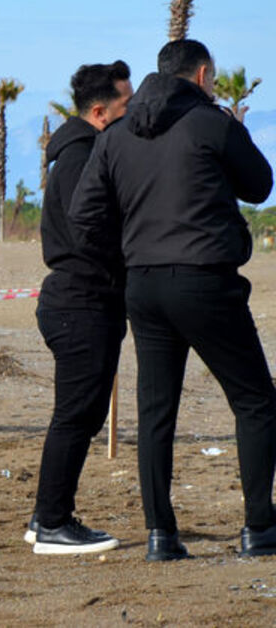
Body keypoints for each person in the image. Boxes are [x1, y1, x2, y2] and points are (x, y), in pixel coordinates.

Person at [70, 39, 276, 561]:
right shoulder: (212, 123)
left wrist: (124, 257)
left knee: (156, 410)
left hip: (144, 282)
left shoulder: (116, 135)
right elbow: (260, 185)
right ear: (203, 75)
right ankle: (259, 527)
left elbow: (84, 216)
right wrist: (234, 129)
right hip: (206, 277)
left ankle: (161, 535)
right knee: (255, 400)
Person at [26, 61, 133, 555]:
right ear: (99, 112)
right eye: (126, 106)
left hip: (85, 299)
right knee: (75, 415)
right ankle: (52, 522)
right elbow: (87, 231)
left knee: (81, 415)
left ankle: (44, 515)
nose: (133, 114)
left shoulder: (83, 152)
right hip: (79, 301)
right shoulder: (81, 158)